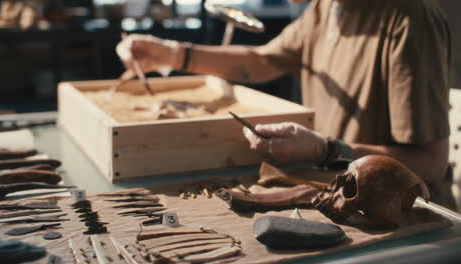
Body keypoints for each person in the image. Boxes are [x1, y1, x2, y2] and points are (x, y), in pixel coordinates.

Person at [116, 0, 456, 209]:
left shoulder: (410, 18)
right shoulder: (326, 7)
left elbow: (429, 164)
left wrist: (326, 150)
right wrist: (171, 53)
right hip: (335, 195)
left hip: (404, 217)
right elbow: (263, 61)